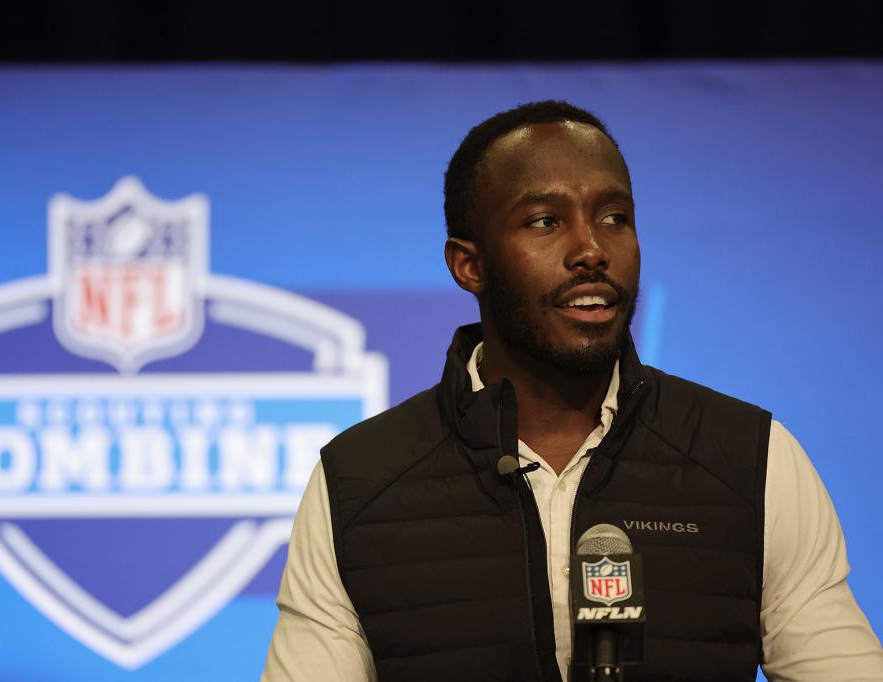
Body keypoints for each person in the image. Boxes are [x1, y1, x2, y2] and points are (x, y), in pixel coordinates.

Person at [261, 101, 883, 681]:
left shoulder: (752, 458)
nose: (591, 249)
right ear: (468, 266)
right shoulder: (360, 481)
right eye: (546, 221)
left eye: (615, 217)